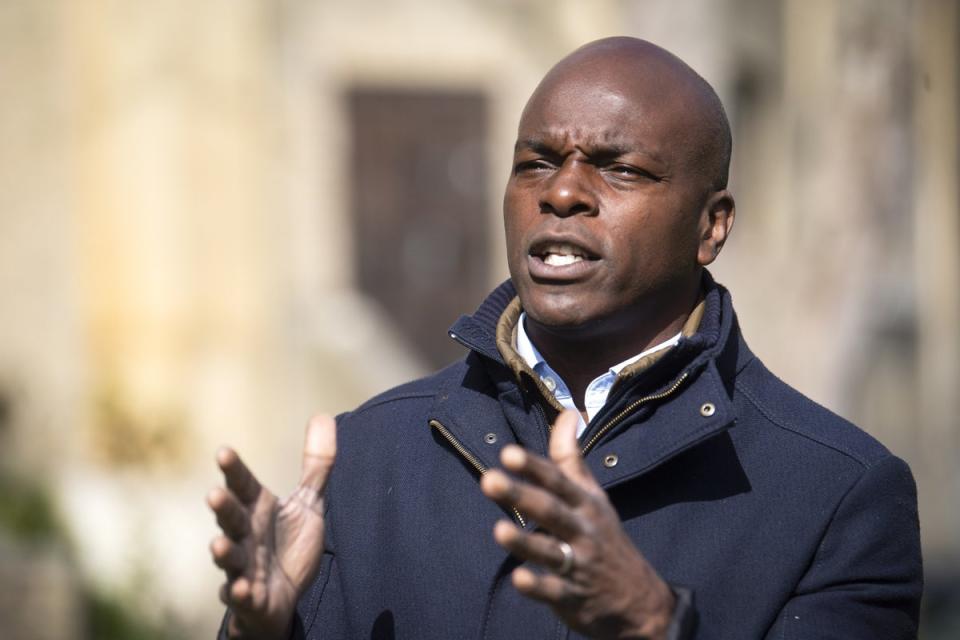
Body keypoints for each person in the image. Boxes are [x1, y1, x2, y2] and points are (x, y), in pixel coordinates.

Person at [206, 37, 923, 639]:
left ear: (712, 226)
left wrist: (653, 621)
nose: (563, 192)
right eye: (536, 162)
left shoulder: (840, 496)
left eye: (619, 168)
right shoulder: (370, 454)